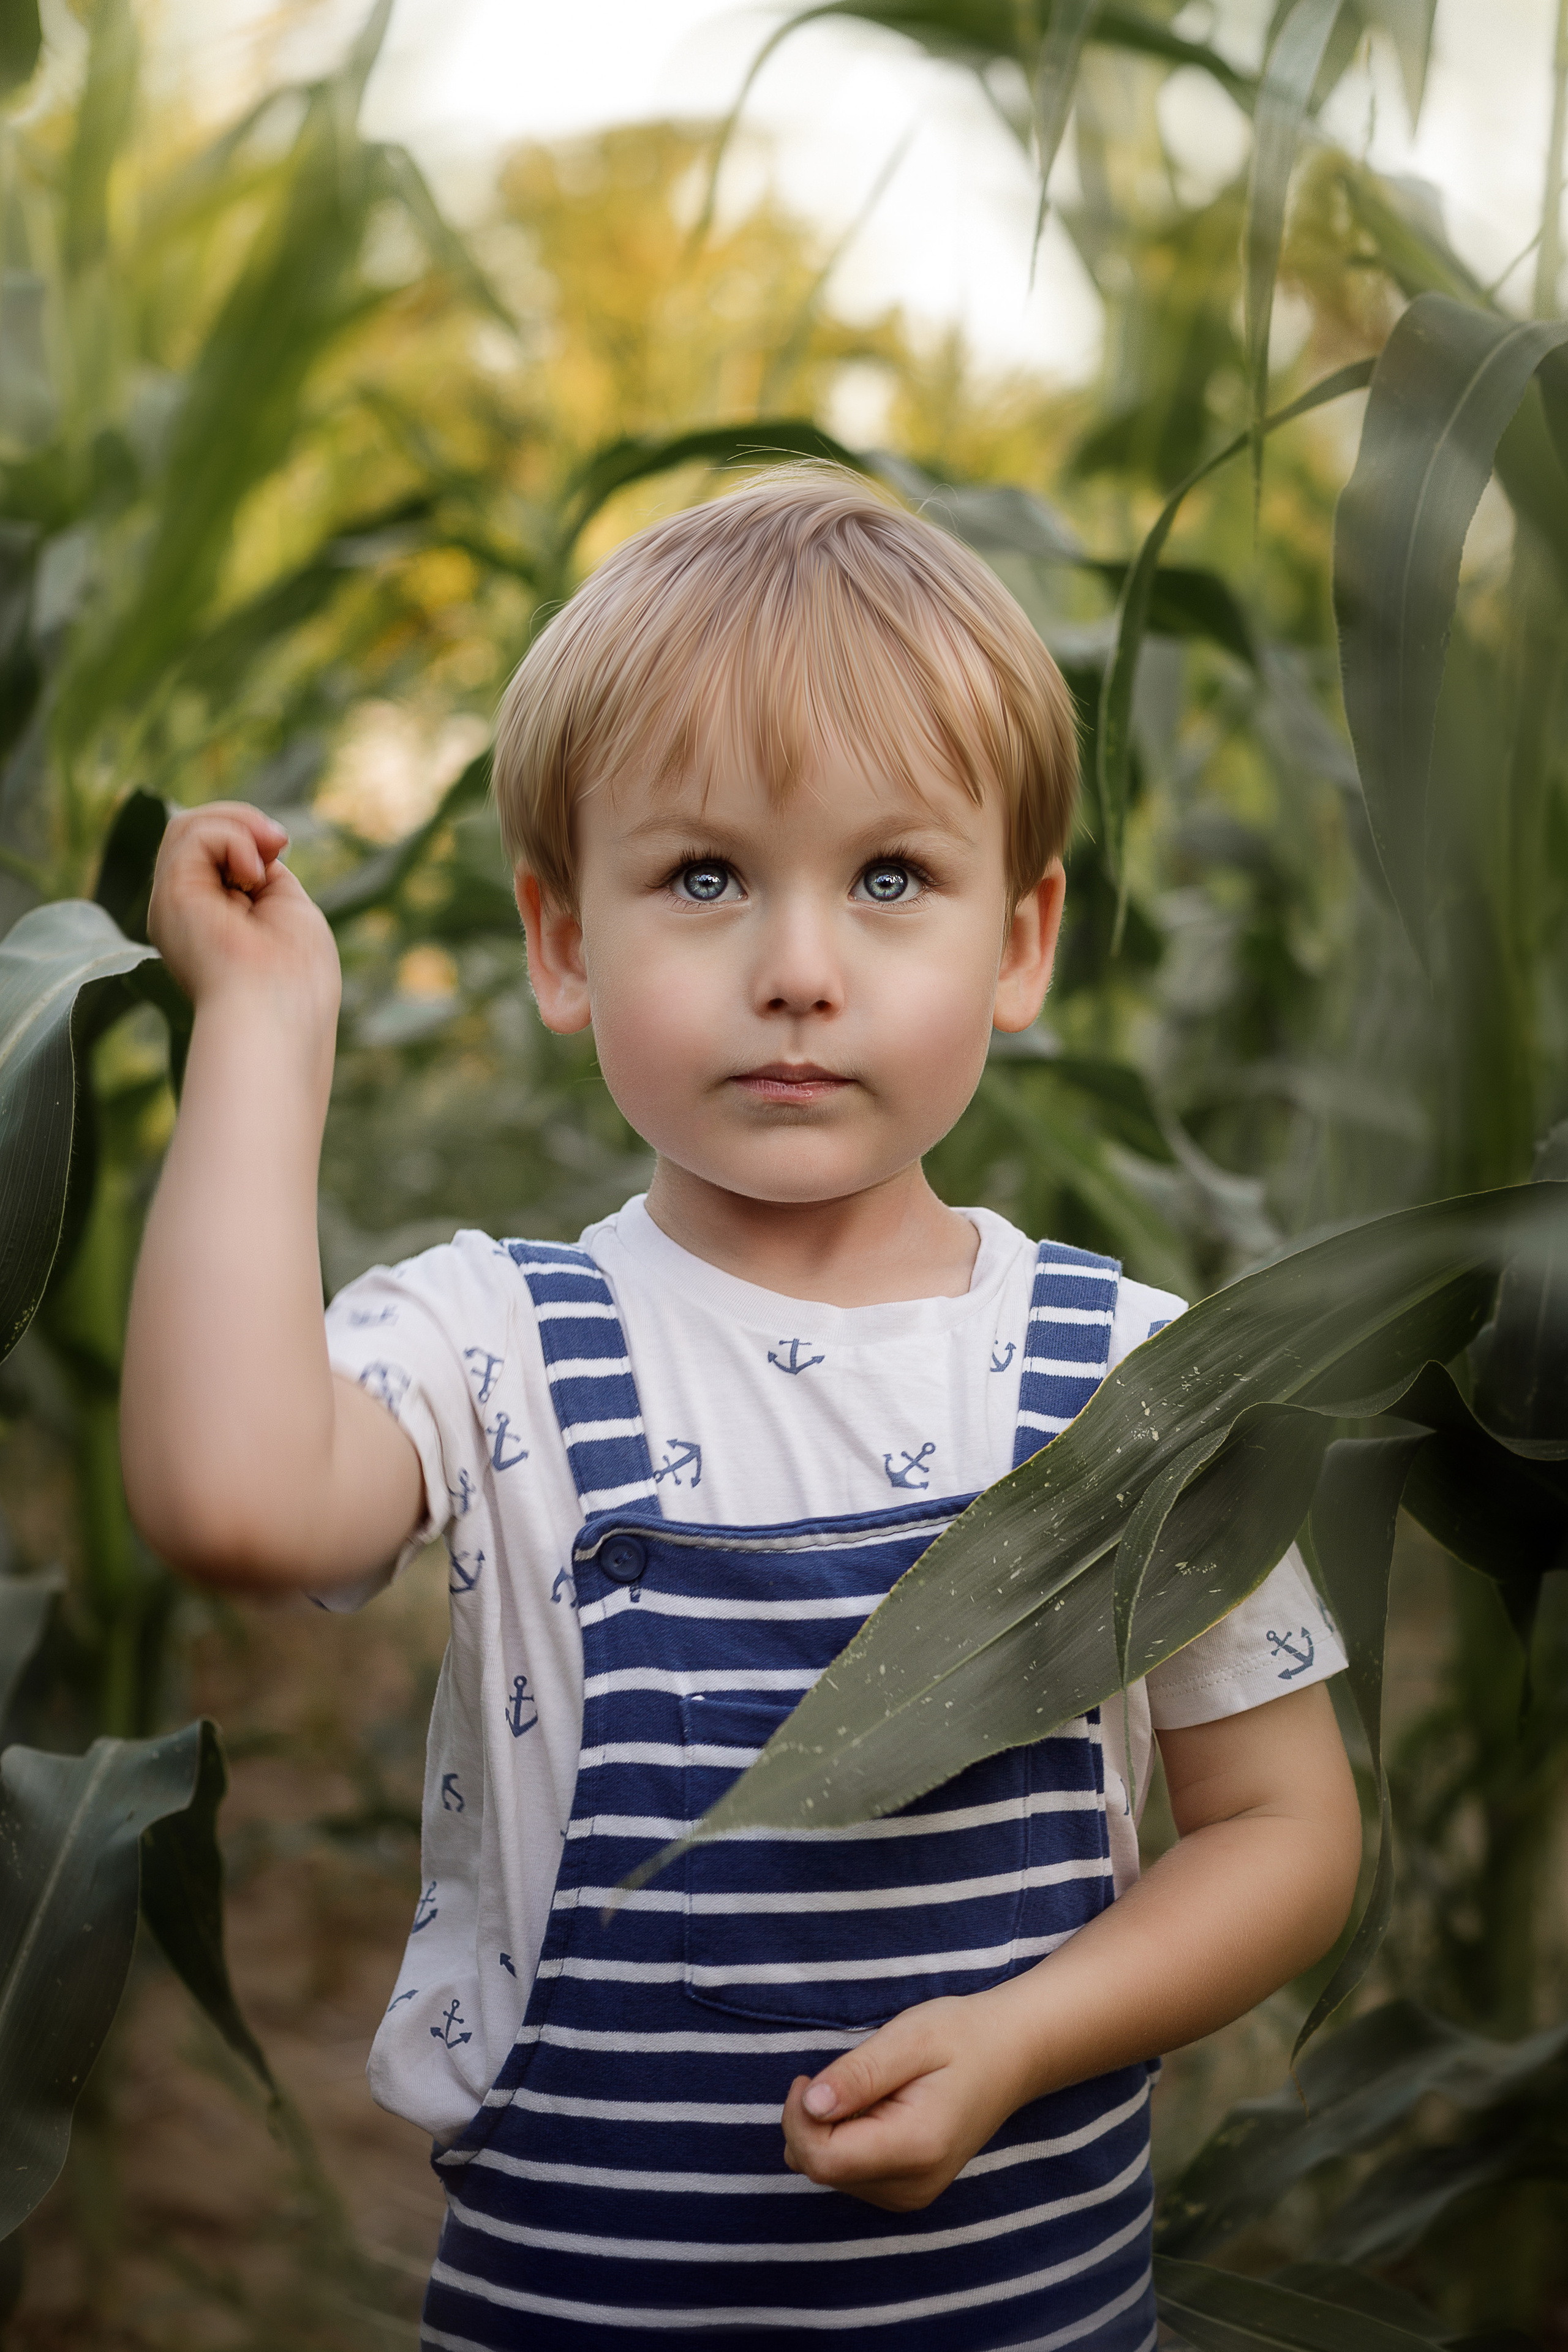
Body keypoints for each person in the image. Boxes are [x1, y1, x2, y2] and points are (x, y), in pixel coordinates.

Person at [122, 466, 1360, 2352]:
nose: (797, 968)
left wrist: (1024, 2037)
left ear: (1020, 942)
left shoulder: (1131, 1376)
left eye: (890, 879)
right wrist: (264, 1032)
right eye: (703, 877)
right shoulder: (496, 1347)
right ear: (561, 942)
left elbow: (1286, 1832)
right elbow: (228, 1497)